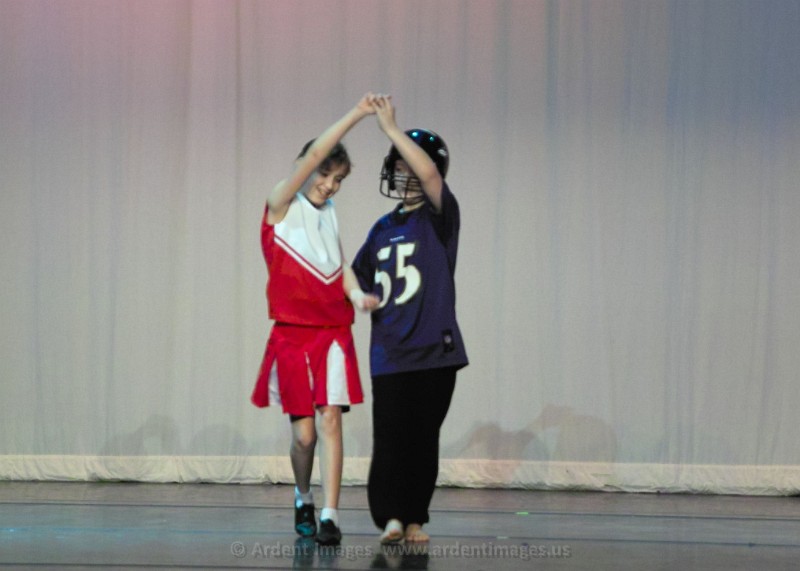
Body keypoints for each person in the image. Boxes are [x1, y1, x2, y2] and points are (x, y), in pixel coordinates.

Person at [251, 94, 380, 547]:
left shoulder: (329, 215)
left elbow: (338, 265)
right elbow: (314, 155)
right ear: (306, 169)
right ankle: (303, 495)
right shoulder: (281, 206)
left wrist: (356, 295)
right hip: (292, 336)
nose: (330, 185)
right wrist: (358, 114)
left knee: (330, 422)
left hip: (333, 335)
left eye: (338, 179)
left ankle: (330, 514)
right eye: (325, 174)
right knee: (304, 438)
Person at [351, 95, 469, 544]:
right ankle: (391, 518)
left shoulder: (441, 218)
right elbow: (355, 274)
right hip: (391, 351)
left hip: (435, 351)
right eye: (397, 167)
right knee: (390, 438)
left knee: (423, 438)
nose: (404, 175)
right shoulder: (382, 228)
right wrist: (357, 295)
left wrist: (390, 128)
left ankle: (416, 516)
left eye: (410, 166)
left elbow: (432, 176)